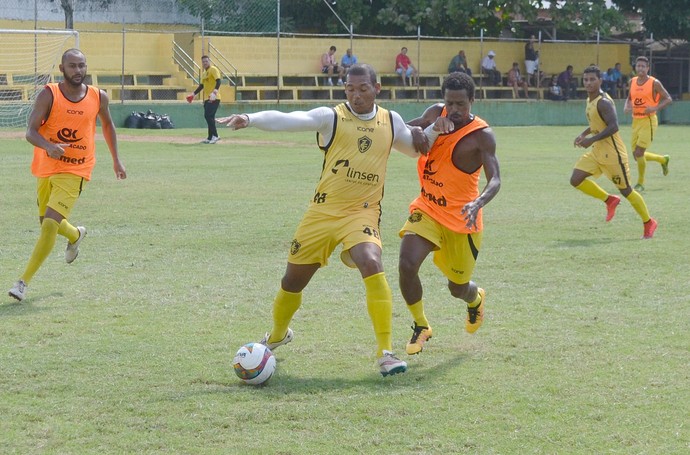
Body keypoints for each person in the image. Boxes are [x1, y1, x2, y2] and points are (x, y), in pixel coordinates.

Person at [215, 64, 430, 377]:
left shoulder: (390, 120)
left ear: (377, 88)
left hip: (363, 211)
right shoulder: (331, 117)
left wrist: (427, 133)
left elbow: (413, 149)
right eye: (350, 89)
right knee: (293, 282)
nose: (356, 95)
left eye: (363, 89)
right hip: (322, 212)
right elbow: (291, 119)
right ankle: (277, 335)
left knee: (371, 261)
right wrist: (250, 118)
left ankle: (386, 352)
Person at [8, 49, 127, 302]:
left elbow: (107, 125)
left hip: (77, 168)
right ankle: (75, 234)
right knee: (46, 223)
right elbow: (30, 132)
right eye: (72, 66)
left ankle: (22, 282)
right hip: (46, 165)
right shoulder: (48, 94)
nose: (78, 71)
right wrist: (49, 146)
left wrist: (116, 160)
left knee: (50, 223)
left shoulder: (98, 96)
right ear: (62, 69)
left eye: (82, 65)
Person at [400, 72, 501, 355]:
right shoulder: (436, 113)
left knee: (457, 288)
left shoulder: (481, 136)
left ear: (472, 100)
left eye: (460, 104)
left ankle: (475, 300)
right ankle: (421, 325)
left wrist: (479, 202)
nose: (454, 111)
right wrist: (425, 129)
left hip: (462, 220)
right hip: (428, 208)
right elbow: (402, 131)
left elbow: (495, 179)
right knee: (407, 264)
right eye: (450, 103)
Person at [570, 65, 657, 240]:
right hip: (597, 153)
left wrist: (591, 140)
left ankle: (649, 222)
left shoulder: (603, 101)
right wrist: (584, 134)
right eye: (586, 79)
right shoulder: (590, 100)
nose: (588, 83)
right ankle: (609, 200)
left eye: (592, 79)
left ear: (600, 81)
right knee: (576, 179)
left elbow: (613, 126)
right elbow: (597, 123)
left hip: (613, 155)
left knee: (627, 191)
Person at [623, 56, 672, 192]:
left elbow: (668, 98)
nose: (640, 68)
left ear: (648, 68)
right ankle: (663, 160)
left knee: (639, 153)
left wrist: (655, 108)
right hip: (636, 120)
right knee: (636, 155)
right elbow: (629, 98)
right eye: (638, 66)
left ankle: (640, 183)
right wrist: (626, 106)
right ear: (635, 67)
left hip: (648, 120)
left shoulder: (654, 83)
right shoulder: (632, 81)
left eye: (643, 66)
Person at [186, 55, 222, 144]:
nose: (205, 63)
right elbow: (201, 86)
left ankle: (215, 136)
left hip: (214, 98)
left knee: (208, 116)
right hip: (207, 98)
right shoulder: (204, 73)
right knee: (210, 117)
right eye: (203, 62)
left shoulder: (213, 69)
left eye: (206, 61)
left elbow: (218, 80)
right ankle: (210, 137)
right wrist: (193, 94)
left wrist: (215, 92)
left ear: (209, 61)